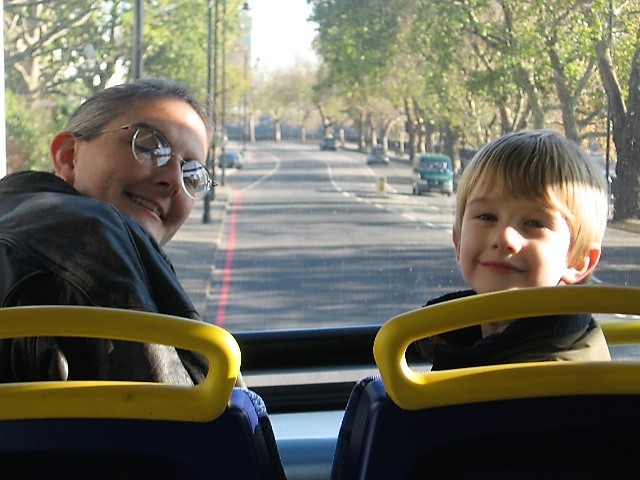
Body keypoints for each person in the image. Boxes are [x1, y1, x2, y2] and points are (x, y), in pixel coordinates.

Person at [0, 78, 216, 384]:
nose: (172, 180)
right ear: (68, 156)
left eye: (191, 174)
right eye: (149, 145)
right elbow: (177, 419)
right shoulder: (93, 236)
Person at [414, 129, 612, 370]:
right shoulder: (465, 343)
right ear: (458, 241)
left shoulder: (547, 381)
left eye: (534, 223)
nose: (504, 237)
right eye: (487, 216)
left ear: (579, 260)